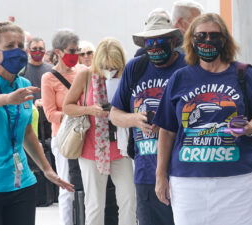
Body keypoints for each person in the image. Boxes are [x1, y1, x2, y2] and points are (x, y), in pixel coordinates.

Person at [153, 13, 252, 225]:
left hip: (241, 182)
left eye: (214, 36)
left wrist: (250, 127)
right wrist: (160, 176)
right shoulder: (180, 78)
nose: (207, 41)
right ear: (191, 40)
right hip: (188, 184)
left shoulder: (243, 74)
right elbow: (167, 130)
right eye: (201, 35)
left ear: (224, 40)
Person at [0, 22, 73, 225]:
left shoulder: (24, 85)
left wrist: (47, 169)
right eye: (10, 46)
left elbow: (27, 133)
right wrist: (6, 98)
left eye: (21, 46)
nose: (18, 51)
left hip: (21, 186)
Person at [110, 8, 187, 225]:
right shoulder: (136, 67)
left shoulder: (187, 66)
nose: (154, 47)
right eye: (149, 41)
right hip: (145, 171)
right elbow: (115, 114)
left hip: (182, 170)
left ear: (173, 40)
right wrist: (135, 119)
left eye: (160, 40)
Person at [63, 37, 136, 225]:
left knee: (128, 200)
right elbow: (67, 107)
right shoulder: (85, 75)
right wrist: (89, 110)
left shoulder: (127, 75)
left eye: (114, 67)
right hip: (92, 148)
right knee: (94, 203)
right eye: (105, 66)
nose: (109, 71)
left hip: (121, 148)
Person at [41, 29, 83, 225]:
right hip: (64, 138)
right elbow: (50, 114)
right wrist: (74, 112)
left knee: (88, 185)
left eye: (78, 51)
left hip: (86, 135)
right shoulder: (48, 78)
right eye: (71, 51)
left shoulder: (83, 72)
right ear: (58, 52)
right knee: (66, 186)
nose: (75, 55)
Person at [134, 2, 203, 57]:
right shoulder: (185, 52)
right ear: (181, 22)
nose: (200, 28)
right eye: (196, 22)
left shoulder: (192, 47)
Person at [23, 37, 52, 101]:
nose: (38, 51)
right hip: (27, 107)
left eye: (41, 49)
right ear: (28, 50)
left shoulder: (51, 70)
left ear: (45, 50)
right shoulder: (22, 70)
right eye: (34, 48)